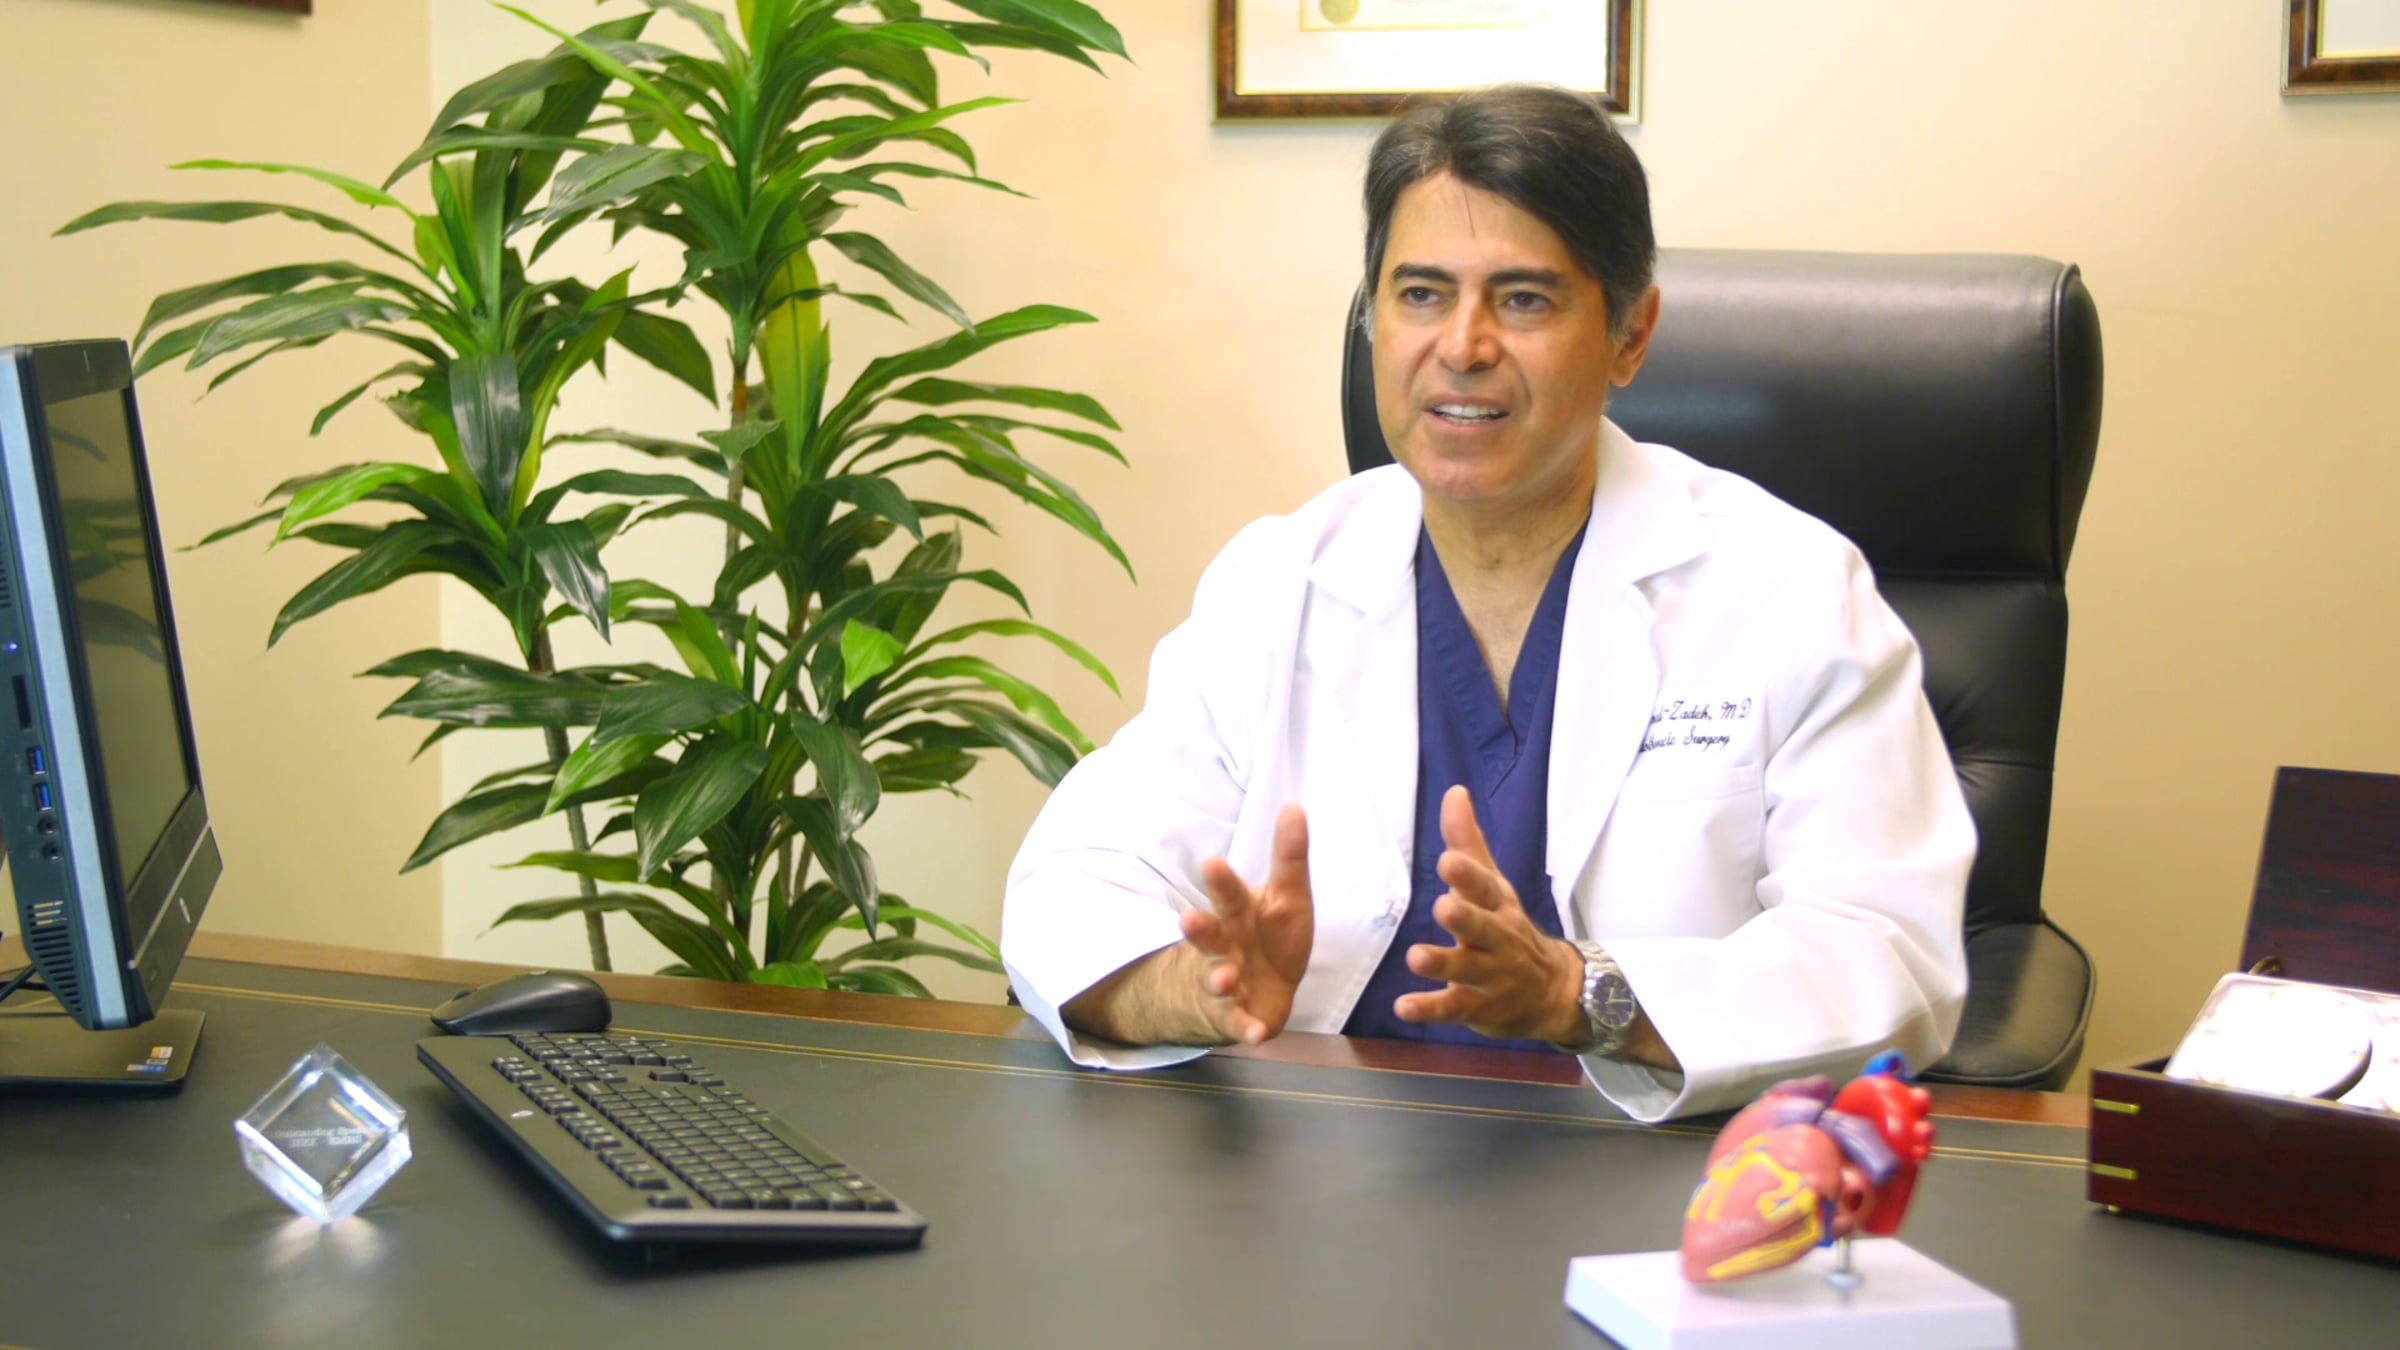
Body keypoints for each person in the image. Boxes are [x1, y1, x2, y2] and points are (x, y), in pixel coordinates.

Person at [999, 84, 1973, 1122]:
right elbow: (1070, 882)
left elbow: (1889, 953)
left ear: (1631, 334)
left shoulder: (1789, 590)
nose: (1462, 345)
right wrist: (1195, 992)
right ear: (1372, 320)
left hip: (1658, 1179)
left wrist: (1577, 994)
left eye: (1523, 300)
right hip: (1322, 1164)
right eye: (1421, 294)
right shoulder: (1280, 581)